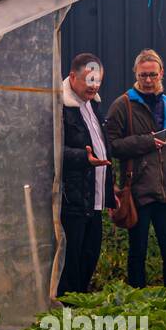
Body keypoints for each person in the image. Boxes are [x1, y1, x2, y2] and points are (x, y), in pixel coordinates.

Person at [103, 48, 166, 291]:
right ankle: (136, 303)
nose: (148, 81)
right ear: (135, 75)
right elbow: (111, 145)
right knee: (137, 251)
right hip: (138, 190)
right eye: (143, 76)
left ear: (161, 73)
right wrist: (146, 141)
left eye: (152, 75)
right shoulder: (122, 105)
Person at [58, 52, 116, 296]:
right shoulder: (60, 107)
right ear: (73, 76)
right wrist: (83, 158)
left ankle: (80, 307)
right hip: (73, 199)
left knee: (90, 256)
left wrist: (110, 194)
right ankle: (66, 310)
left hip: (94, 199)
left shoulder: (93, 105)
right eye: (89, 80)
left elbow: (103, 148)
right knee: (72, 260)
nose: (94, 86)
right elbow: (48, 151)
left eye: (98, 81)